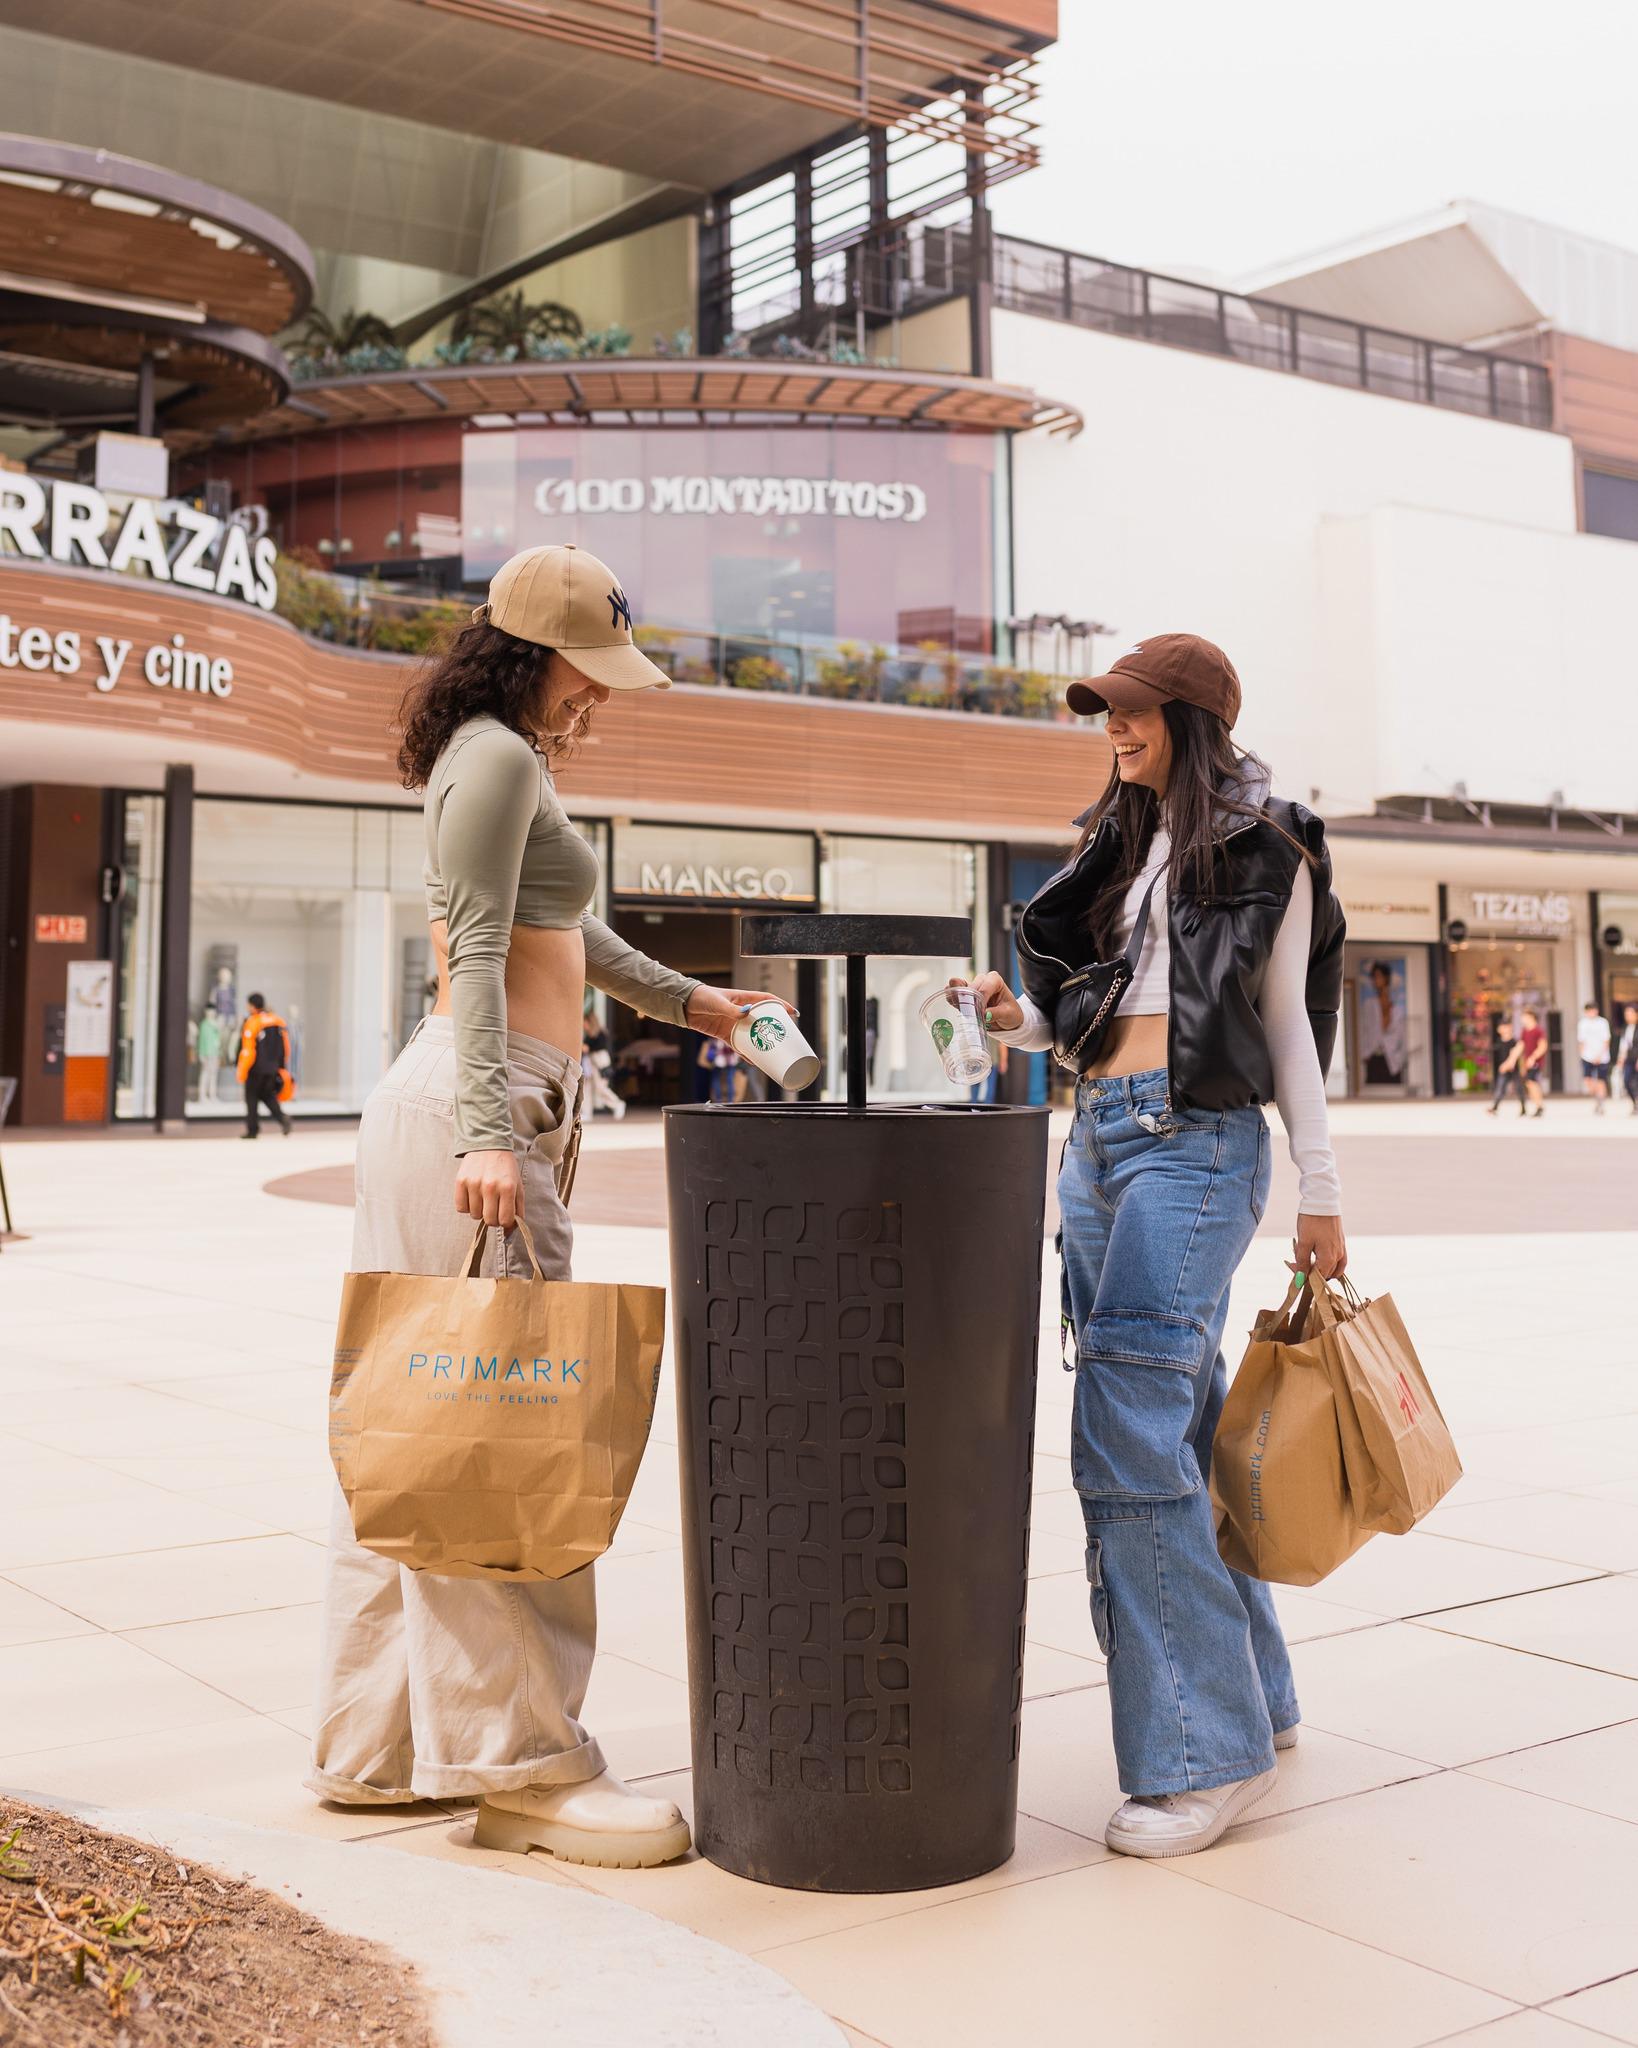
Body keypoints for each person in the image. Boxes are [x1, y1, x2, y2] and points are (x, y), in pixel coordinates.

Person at [307, 542, 790, 1869]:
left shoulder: (494, 753)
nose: (604, 699)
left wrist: (697, 1002)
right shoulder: (502, 756)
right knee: (498, 1440)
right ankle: (522, 1771)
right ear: (536, 652)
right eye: (593, 673)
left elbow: (566, 940)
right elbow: (467, 947)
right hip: (483, 1115)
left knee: (420, 1421)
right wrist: (486, 1134)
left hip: (490, 1109)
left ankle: (378, 1747)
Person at [957, 632, 1346, 1860]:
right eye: (1105, 715)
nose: (1112, 731)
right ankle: (1259, 1703)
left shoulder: (1268, 844)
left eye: (1130, 713)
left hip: (1198, 1144)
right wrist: (1023, 1022)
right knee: (1175, 1419)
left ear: (1190, 719)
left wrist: (1321, 1195)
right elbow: (1100, 1029)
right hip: (1099, 1141)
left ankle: (1200, 1752)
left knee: (1125, 1428)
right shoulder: (1119, 850)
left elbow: (1286, 1023)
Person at [236, 994, 293, 1137]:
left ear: (252, 1006)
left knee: (252, 1098)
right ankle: (282, 1118)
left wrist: (242, 1071)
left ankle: (252, 1130)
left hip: (256, 1069)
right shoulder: (278, 1021)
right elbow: (286, 1047)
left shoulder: (252, 1022)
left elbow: (248, 1050)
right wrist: (281, 1067)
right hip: (272, 1068)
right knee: (267, 1096)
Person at [1358, 960, 1406, 1085]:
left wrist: (1399, 1057)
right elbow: (1364, 1030)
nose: (1375, 980)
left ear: (1386, 978)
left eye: (1378, 976)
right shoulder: (1369, 1005)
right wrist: (1365, 1054)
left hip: (1392, 1062)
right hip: (1374, 1058)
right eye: (1373, 977)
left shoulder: (1397, 1009)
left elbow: (1401, 1037)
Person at [580, 1005, 626, 1118]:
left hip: (599, 1062)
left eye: (585, 1022)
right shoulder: (590, 1035)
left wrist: (584, 1047)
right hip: (591, 1063)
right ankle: (586, 1112)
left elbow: (590, 1048)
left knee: (601, 1087)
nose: (583, 1025)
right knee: (587, 1087)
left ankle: (617, 1104)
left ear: (590, 1022)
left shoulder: (599, 1033)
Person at [1486, 1019, 1526, 1117]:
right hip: (1503, 1069)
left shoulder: (1514, 1041)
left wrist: (1508, 1065)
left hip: (1513, 1068)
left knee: (1519, 1088)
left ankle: (1523, 1108)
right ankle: (1495, 1107)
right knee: (1500, 1088)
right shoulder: (1498, 1041)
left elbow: (1514, 1055)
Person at [1577, 1001, 1612, 1115]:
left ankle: (1601, 1104)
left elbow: (1606, 1040)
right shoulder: (1582, 1023)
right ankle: (1598, 1098)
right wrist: (1583, 1054)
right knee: (1588, 1080)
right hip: (1587, 1056)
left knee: (1601, 1080)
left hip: (1602, 1057)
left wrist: (1599, 1055)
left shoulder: (1602, 1022)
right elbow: (1581, 1041)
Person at [1518, 1007, 1548, 1117]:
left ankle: (1539, 1105)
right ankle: (1538, 1105)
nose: (1522, 1018)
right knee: (1529, 1083)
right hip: (1527, 1062)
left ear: (1531, 1016)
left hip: (1536, 1062)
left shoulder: (1538, 1030)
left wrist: (1533, 1057)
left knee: (1531, 1081)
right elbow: (1521, 1046)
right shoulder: (1525, 1031)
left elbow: (1543, 1046)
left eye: (1524, 1016)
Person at [698, 1035, 740, 1104]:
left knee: (728, 1080)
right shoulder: (718, 1038)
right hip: (720, 1061)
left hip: (727, 1061)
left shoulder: (719, 1038)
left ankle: (728, 1100)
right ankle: (721, 1100)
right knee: (718, 1080)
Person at [196, 1007, 224, 1103]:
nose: (211, 1013)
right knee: (205, 1074)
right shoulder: (204, 1025)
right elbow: (201, 1040)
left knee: (213, 1075)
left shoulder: (215, 1025)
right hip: (207, 1053)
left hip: (214, 1053)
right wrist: (201, 1053)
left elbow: (218, 1041)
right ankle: (202, 1095)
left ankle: (212, 1095)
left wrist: (219, 1054)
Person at [1618, 1003, 1638, 1116]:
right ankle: (1634, 1103)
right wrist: (1621, 1058)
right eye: (1626, 1014)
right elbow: (1624, 1044)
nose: (1628, 1016)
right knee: (1627, 1081)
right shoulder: (1625, 1028)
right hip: (1629, 1059)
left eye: (1630, 1013)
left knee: (1636, 1082)